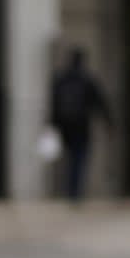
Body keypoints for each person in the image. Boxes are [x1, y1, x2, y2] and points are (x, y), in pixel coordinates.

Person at [49, 47, 113, 202]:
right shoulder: (87, 80)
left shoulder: (60, 79)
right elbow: (101, 103)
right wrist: (109, 123)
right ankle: (75, 192)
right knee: (79, 159)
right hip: (82, 126)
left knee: (71, 158)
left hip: (65, 127)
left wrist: (52, 124)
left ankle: (72, 191)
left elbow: (53, 104)